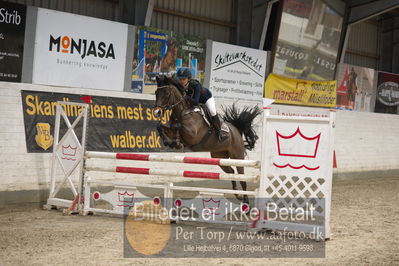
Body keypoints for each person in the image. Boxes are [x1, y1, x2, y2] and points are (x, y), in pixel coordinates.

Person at [176, 68, 228, 142]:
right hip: (193, 100)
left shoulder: (195, 85)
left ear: (189, 79)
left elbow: (196, 102)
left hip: (206, 99)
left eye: (183, 79)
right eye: (180, 79)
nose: (181, 81)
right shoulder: (180, 85)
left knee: (212, 111)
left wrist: (185, 97)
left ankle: (219, 132)